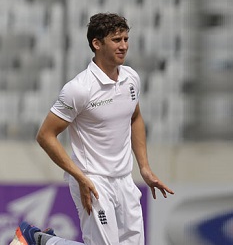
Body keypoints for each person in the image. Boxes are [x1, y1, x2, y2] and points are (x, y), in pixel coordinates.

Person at [34, 13, 175, 245]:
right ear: (96, 44)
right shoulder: (79, 89)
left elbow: (135, 117)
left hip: (124, 179)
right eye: (116, 40)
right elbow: (45, 136)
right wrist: (80, 177)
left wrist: (145, 168)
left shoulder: (131, 78)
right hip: (93, 180)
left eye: (126, 39)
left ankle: (44, 241)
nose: (124, 46)